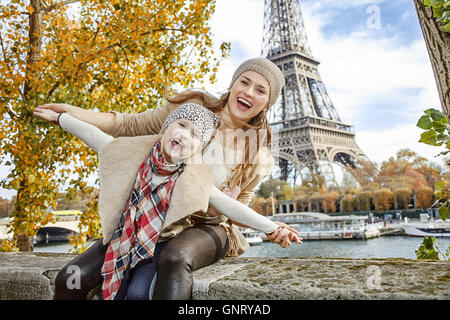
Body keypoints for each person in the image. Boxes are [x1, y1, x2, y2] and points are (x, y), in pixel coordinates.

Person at [36, 57, 300, 300]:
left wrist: (271, 228)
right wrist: (69, 113)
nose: (248, 92)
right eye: (244, 81)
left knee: (174, 258)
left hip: (210, 227)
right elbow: (125, 125)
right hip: (152, 214)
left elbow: (236, 210)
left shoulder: (257, 153)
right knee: (72, 278)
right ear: (233, 83)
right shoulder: (192, 111)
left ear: (268, 102)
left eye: (260, 90)